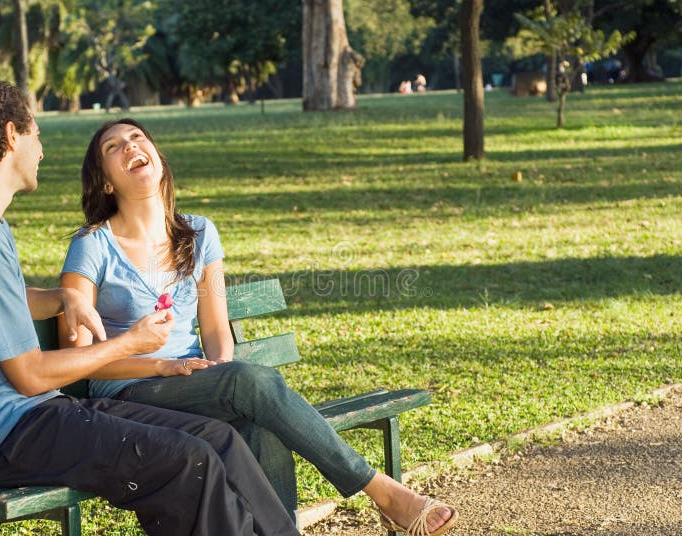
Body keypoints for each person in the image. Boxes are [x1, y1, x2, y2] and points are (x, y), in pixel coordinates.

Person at [0, 79, 299, 536]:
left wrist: (65, 297)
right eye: (36, 134)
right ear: (12, 136)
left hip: (32, 418)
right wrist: (130, 343)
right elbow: (29, 375)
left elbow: (6, 298)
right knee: (186, 461)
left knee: (217, 439)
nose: (41, 149)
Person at [59, 118, 459, 536]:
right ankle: (382, 490)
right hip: (131, 391)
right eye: (113, 147)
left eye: (137, 137)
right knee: (250, 384)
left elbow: (216, 330)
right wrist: (161, 367)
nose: (129, 146)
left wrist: (218, 369)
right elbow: (79, 362)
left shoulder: (198, 234)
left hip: (195, 383)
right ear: (105, 182)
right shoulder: (92, 245)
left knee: (259, 429)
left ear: (157, 157)